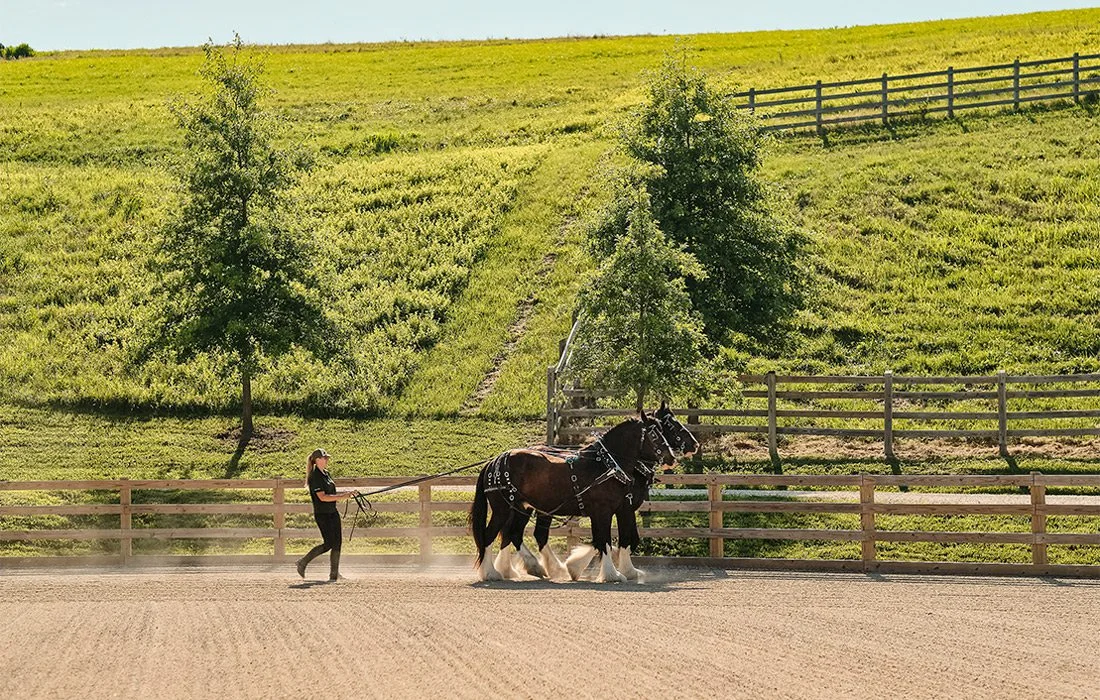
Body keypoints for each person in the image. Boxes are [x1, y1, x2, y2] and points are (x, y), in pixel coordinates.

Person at [296, 448, 358, 581]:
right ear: (317, 460)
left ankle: (334, 574)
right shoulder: (315, 477)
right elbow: (322, 497)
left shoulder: (326, 474)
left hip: (332, 512)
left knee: (337, 543)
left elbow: (331, 493)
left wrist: (348, 494)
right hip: (323, 514)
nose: (327, 460)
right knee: (328, 543)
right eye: (325, 458)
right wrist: (343, 496)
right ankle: (303, 561)